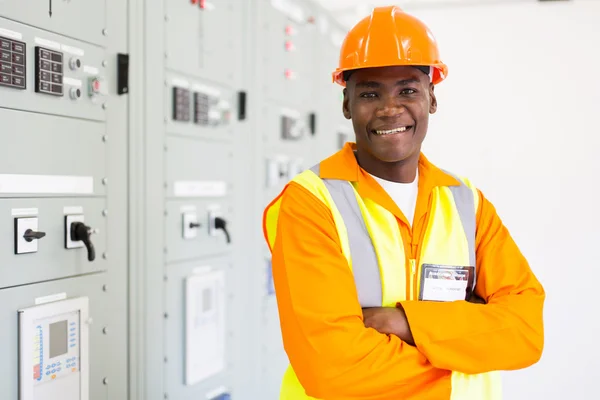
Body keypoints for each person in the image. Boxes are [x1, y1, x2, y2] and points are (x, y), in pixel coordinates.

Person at [262, 5, 545, 400]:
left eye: (408, 89)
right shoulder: (311, 203)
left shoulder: (467, 203)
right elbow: (334, 371)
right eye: (370, 92)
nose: (389, 108)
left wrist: (405, 322)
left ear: (432, 98)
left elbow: (526, 332)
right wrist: (463, 363)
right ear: (347, 105)